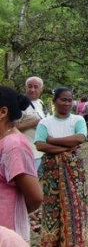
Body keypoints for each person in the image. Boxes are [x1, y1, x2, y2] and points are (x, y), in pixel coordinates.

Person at [35, 87, 87, 246]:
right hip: (52, 173)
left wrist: (52, 141)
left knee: (75, 205)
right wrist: (66, 149)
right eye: (63, 99)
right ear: (54, 101)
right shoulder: (45, 122)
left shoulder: (78, 120)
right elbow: (40, 145)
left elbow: (80, 138)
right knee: (51, 207)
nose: (66, 103)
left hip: (73, 171)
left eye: (69, 100)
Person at [0, 86, 43, 243]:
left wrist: (16, 210)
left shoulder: (14, 146)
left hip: (7, 233)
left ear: (3, 112)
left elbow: (35, 197)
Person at [15, 76, 46, 233]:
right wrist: (32, 123)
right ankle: (26, 219)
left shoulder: (40, 104)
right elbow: (12, 127)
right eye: (29, 86)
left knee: (36, 184)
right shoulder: (21, 105)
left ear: (41, 89)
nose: (32, 90)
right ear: (25, 87)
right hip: (26, 151)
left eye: (35, 87)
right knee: (26, 188)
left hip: (39, 151)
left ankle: (32, 216)